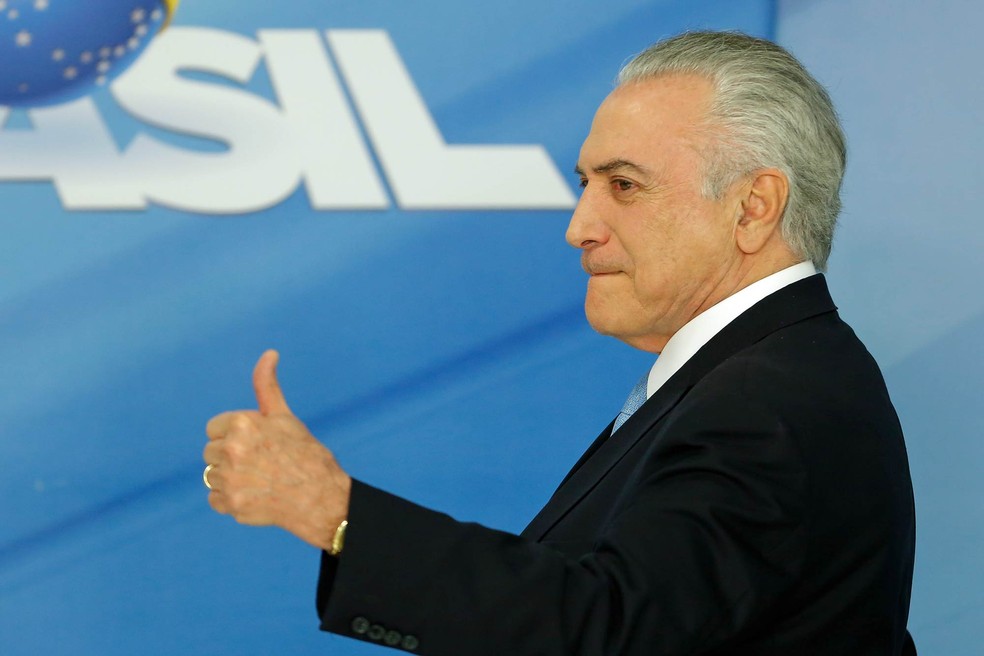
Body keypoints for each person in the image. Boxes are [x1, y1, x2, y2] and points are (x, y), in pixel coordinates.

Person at [202, 31, 916, 655]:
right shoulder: (769, 376)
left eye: (625, 185)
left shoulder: (768, 403)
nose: (580, 226)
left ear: (753, 208)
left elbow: (606, 628)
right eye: (586, 184)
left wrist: (333, 510)